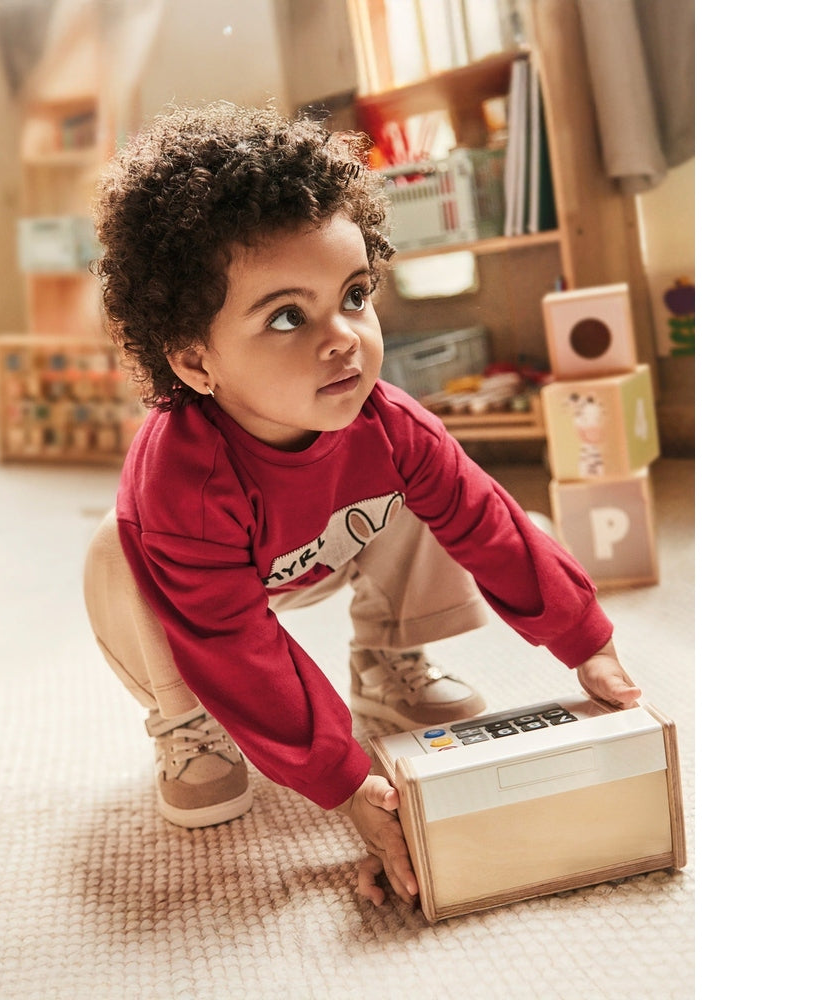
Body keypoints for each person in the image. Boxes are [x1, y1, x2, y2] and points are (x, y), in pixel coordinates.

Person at [83, 102, 642, 908]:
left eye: (353, 294)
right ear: (197, 362)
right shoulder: (182, 484)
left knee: (434, 486)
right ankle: (188, 721)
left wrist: (584, 638)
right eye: (287, 317)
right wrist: (347, 781)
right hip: (201, 595)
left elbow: (486, 522)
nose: (343, 335)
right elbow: (234, 641)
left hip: (324, 545)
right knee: (118, 549)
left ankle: (390, 659)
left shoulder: (387, 421)